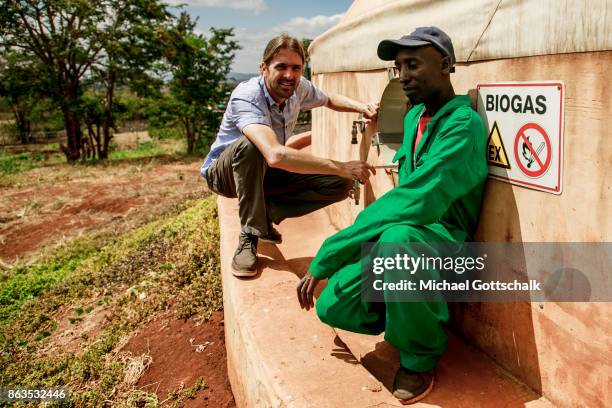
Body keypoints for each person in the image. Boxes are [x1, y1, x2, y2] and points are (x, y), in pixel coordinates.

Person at [296, 27, 488, 404]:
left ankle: (419, 357)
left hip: (447, 246)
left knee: (397, 240)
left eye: (413, 64)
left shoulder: (463, 127)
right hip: (406, 241)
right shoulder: (415, 115)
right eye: (398, 67)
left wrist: (332, 252)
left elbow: (416, 202)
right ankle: (409, 312)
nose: (403, 76)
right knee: (332, 305)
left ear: (446, 64)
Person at [201, 34, 378, 277]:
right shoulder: (248, 95)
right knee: (253, 145)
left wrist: (361, 107)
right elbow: (274, 154)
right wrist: (340, 164)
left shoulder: (299, 88)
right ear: (264, 68)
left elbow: (328, 99)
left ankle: (265, 215)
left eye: (296, 68)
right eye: (281, 67)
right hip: (226, 175)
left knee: (339, 184)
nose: (289, 75)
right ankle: (250, 235)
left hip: (265, 172)